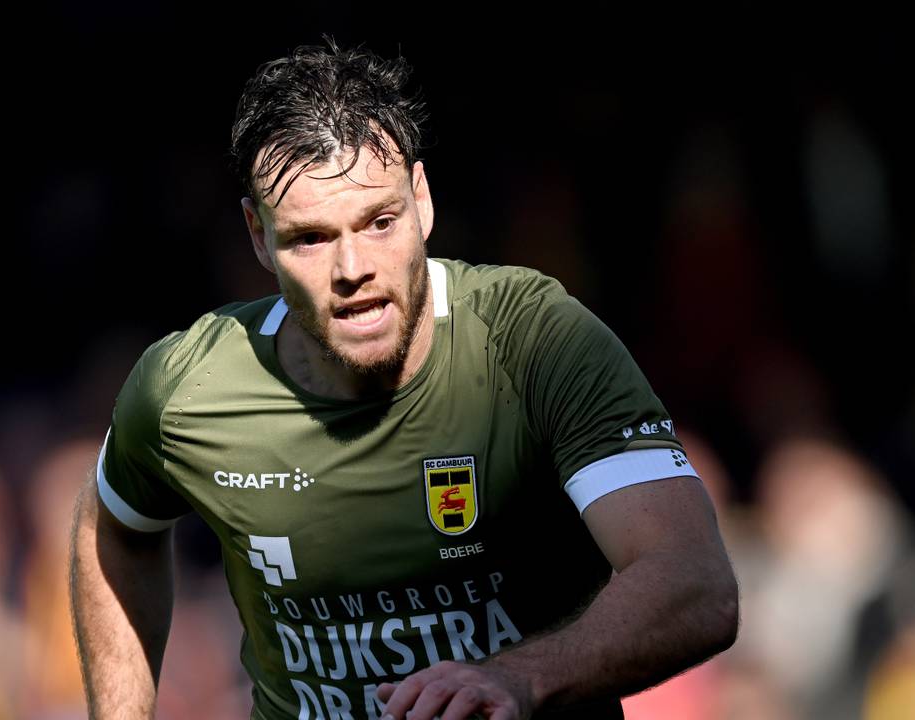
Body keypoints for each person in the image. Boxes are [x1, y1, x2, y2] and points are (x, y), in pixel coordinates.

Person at [69, 38, 739, 720]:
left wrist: (519, 679)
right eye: (310, 238)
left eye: (380, 221)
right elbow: (114, 527)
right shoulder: (189, 389)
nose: (352, 266)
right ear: (256, 236)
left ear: (421, 201)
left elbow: (693, 581)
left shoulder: (536, 341)